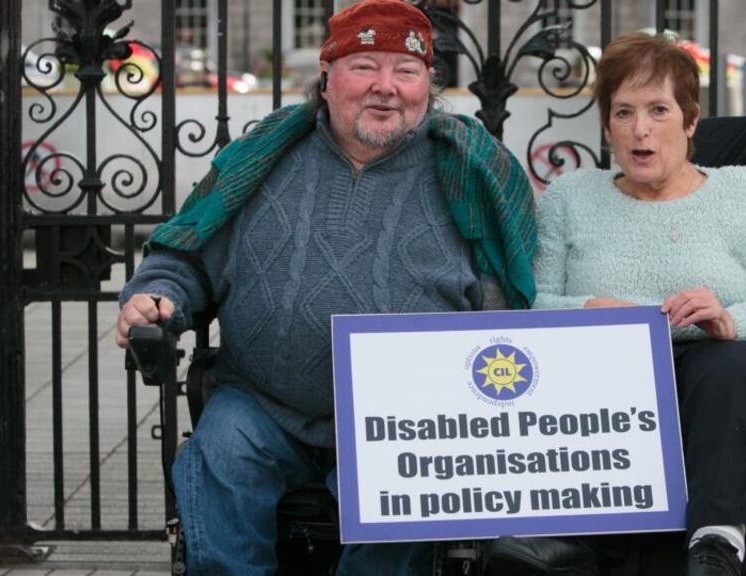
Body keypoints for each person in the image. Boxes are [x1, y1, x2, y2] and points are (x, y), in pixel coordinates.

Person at [115, 1, 536, 574]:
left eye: (406, 72)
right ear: (328, 77)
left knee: (405, 498)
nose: (386, 88)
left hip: (406, 417)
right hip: (264, 402)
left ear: (427, 87)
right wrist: (157, 293)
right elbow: (185, 256)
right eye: (364, 66)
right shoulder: (259, 162)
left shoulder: (467, 176)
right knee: (221, 454)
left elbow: (505, 306)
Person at [531, 32, 746, 576]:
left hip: (722, 362)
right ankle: (565, 535)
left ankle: (717, 539)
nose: (639, 129)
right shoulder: (570, 198)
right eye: (623, 112)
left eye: (658, 110)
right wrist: (586, 311)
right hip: (608, 365)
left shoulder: (744, 191)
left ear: (691, 122)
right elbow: (533, 302)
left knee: (727, 368)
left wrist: (734, 319)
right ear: (606, 126)